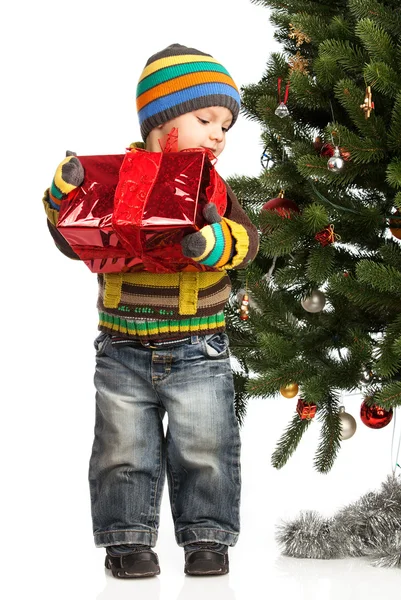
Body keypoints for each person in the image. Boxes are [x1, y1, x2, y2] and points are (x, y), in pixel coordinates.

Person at [43, 43, 259, 578]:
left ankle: (208, 539)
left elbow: (248, 240)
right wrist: (60, 197)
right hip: (121, 347)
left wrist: (217, 243)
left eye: (226, 126)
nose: (219, 134)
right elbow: (74, 240)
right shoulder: (114, 183)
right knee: (123, 450)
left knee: (205, 445)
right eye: (206, 118)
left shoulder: (212, 187)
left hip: (198, 346)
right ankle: (128, 542)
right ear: (161, 126)